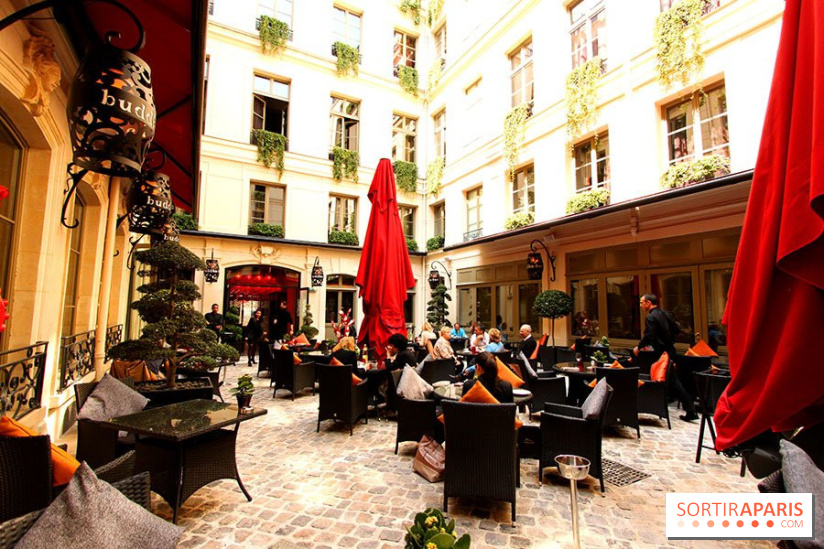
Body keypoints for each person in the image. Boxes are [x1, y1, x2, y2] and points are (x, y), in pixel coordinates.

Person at [633, 293, 697, 422]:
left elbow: (649, 335)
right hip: (670, 351)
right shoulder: (666, 314)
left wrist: (639, 347)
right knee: (672, 380)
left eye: (642, 302)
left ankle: (690, 409)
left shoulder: (651, 317)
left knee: (672, 380)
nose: (640, 305)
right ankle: (689, 409)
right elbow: (677, 330)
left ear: (649, 303)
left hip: (662, 353)